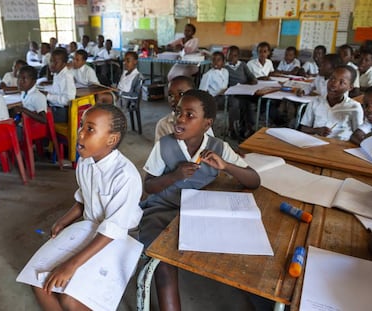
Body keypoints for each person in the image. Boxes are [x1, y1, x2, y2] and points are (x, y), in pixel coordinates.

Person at [139, 89, 260, 311]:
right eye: (178, 113)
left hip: (200, 210)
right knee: (161, 259)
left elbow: (254, 180)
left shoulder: (218, 147)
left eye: (189, 115)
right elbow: (149, 187)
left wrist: (226, 166)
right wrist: (175, 176)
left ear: (207, 124)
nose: (180, 119)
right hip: (162, 209)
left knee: (244, 246)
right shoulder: (164, 145)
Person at [31, 104, 143, 311]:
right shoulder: (85, 163)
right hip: (90, 229)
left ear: (112, 139)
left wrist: (71, 265)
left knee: (69, 299)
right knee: (40, 282)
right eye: (81, 126)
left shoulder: (125, 176)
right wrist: (63, 221)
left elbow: (113, 229)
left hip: (119, 238)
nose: (80, 133)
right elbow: (84, 199)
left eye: (90, 129)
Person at [299, 65, 363, 141]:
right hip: (316, 144)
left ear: (350, 87)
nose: (334, 84)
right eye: (332, 79)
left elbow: (358, 135)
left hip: (340, 147)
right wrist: (317, 130)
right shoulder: (315, 102)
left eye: (341, 82)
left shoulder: (354, 107)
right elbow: (303, 128)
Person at [157, 76, 214, 142]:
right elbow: (160, 150)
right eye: (170, 95)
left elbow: (211, 144)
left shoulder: (201, 121)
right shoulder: (164, 125)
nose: (173, 99)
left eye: (181, 94)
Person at [225, 45, 258, 139]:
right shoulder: (224, 67)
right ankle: (232, 128)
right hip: (232, 93)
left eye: (234, 55)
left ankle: (248, 127)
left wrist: (250, 81)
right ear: (226, 55)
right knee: (235, 104)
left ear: (238, 56)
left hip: (245, 92)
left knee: (250, 104)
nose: (231, 57)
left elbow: (252, 78)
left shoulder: (243, 65)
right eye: (229, 55)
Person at [46, 47, 76, 123]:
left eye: (56, 62)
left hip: (62, 112)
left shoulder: (67, 76)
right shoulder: (57, 73)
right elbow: (57, 90)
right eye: (51, 61)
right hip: (55, 108)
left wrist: (48, 96)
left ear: (64, 64)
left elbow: (68, 100)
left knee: (35, 117)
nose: (52, 64)